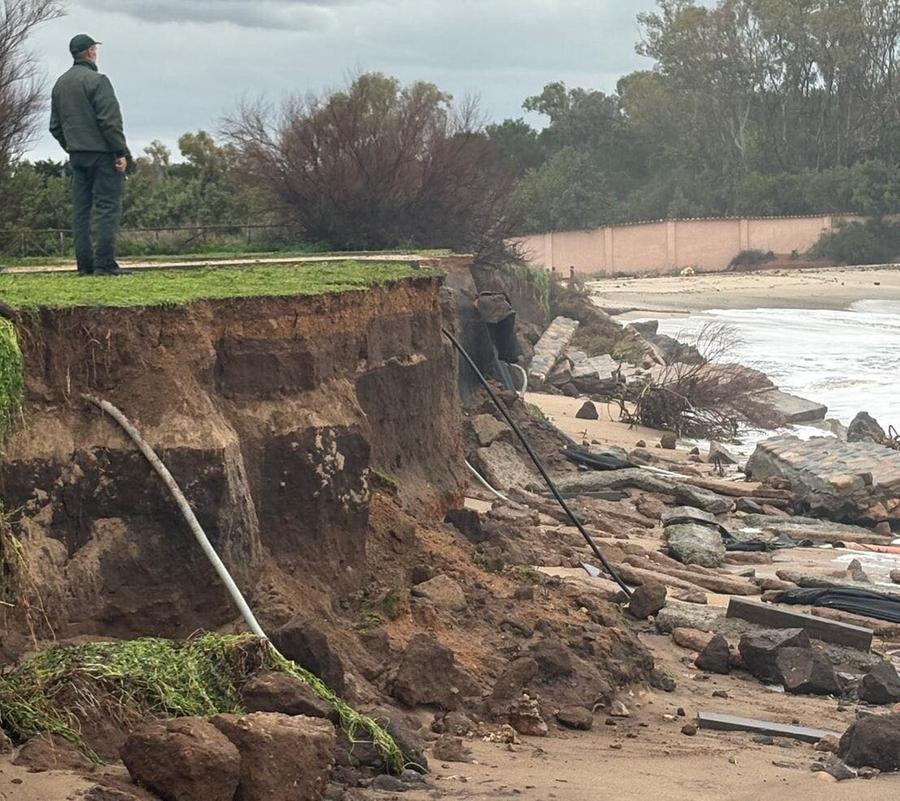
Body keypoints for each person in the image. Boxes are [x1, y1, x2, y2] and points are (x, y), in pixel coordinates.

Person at [50, 34, 130, 276]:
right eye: (94, 49)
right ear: (89, 52)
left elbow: (55, 127)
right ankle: (104, 264)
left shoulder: (60, 84)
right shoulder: (98, 81)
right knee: (107, 207)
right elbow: (110, 122)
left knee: (81, 211)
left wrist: (72, 145)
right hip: (103, 154)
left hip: (77, 155)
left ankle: (84, 265)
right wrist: (120, 151)